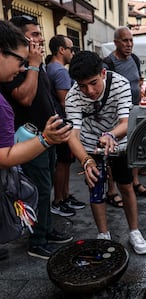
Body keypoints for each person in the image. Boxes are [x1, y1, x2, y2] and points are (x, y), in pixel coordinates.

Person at [0, 16, 74, 260]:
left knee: (45, 188)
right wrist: (31, 64)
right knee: (39, 189)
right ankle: (37, 239)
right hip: (29, 140)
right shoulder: (25, 67)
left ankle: (45, 228)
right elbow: (25, 98)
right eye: (33, 34)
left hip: (43, 135)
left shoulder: (33, 62)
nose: (40, 39)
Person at [66, 51, 146, 255]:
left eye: (93, 83)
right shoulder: (72, 97)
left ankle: (134, 231)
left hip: (118, 140)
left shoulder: (120, 84)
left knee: (126, 185)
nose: (89, 91)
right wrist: (85, 161)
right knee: (96, 190)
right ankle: (103, 234)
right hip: (89, 145)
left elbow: (126, 122)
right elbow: (72, 136)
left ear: (103, 73)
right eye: (83, 86)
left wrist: (110, 135)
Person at [103, 26, 146, 202]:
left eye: (131, 40)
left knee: (134, 147)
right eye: (125, 40)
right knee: (112, 152)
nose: (129, 44)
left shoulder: (135, 59)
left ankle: (135, 182)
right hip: (115, 116)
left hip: (134, 111)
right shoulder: (108, 63)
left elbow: (137, 82)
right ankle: (111, 191)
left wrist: (141, 98)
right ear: (116, 42)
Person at [47, 34, 85, 217]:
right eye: (71, 48)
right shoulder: (61, 71)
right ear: (61, 50)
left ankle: (65, 195)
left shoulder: (51, 67)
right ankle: (59, 200)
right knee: (62, 163)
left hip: (59, 123)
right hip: (63, 123)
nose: (73, 52)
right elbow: (65, 102)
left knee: (65, 162)